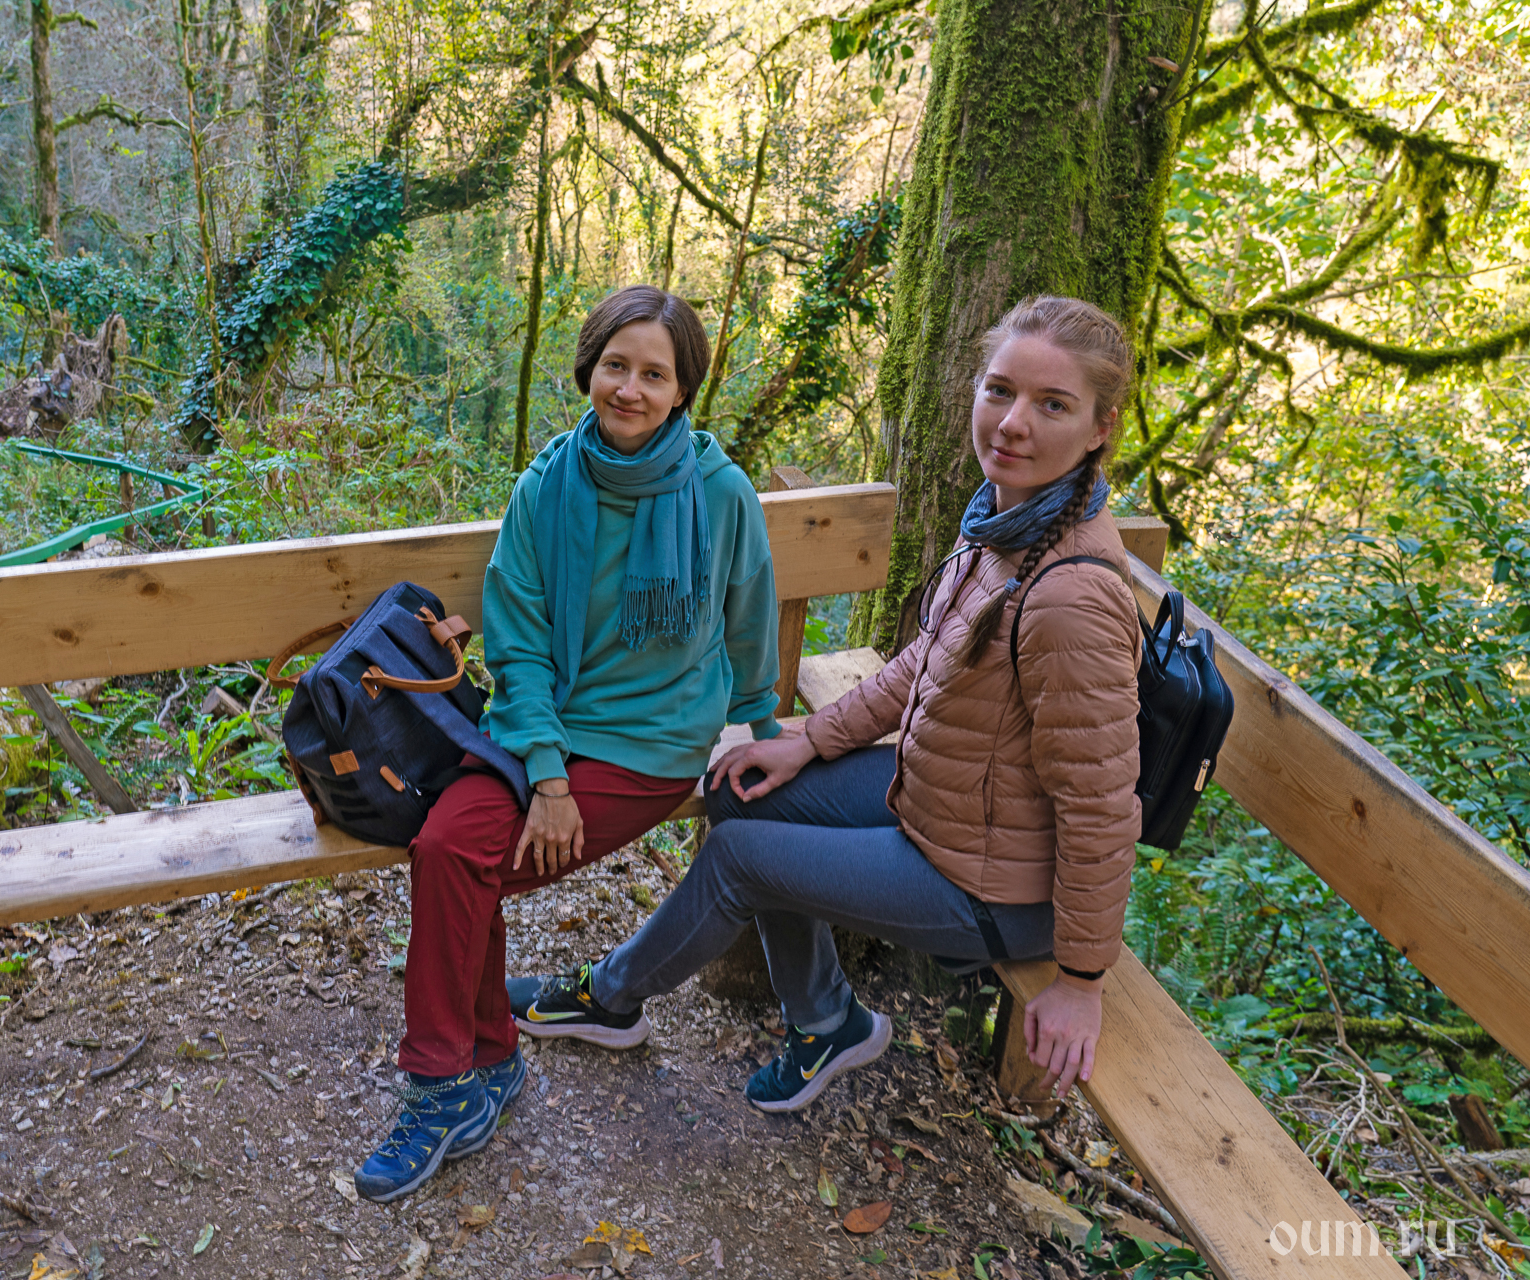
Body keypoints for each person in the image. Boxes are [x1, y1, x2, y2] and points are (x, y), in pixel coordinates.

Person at [508, 294, 1144, 1114]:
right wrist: (807, 742)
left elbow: (1100, 806)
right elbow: (925, 661)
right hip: (946, 802)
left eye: (1052, 405)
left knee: (740, 859)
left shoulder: (1069, 597)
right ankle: (826, 1020)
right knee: (742, 787)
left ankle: (610, 998)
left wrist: (1082, 981)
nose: (1013, 423)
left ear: (1099, 428)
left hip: (994, 885)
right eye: (1000, 391)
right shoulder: (1008, 521)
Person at [352, 285, 784, 1201]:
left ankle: (448, 1081)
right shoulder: (546, 487)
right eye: (616, 366)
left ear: (682, 390)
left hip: (653, 741)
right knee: (449, 846)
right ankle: (484, 1062)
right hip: (539, 725)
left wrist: (767, 731)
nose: (630, 388)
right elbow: (517, 642)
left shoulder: (719, 493)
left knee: (466, 864)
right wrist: (546, 775)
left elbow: (750, 618)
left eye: (654, 374)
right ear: (590, 369)